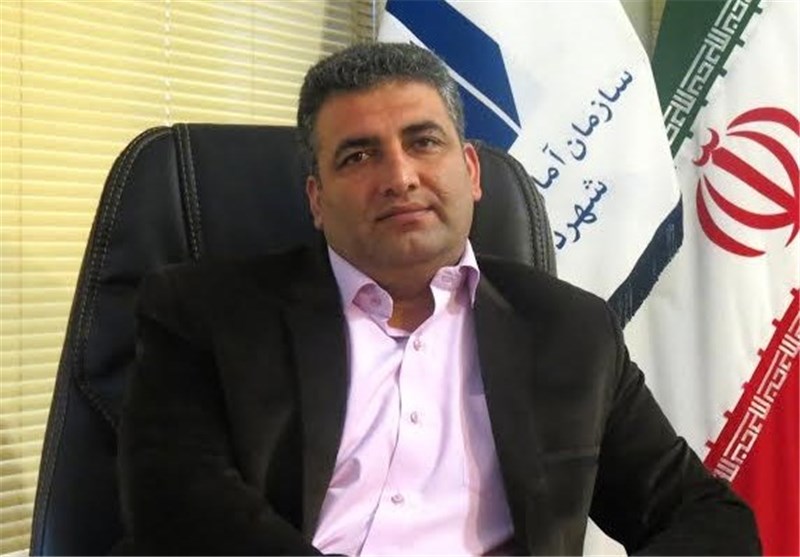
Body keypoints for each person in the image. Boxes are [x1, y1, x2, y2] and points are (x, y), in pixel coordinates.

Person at [118, 42, 760, 556]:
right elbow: (175, 508)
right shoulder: (204, 314)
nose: (399, 177)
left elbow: (705, 516)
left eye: (423, 142)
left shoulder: (570, 330)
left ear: (472, 172)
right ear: (317, 200)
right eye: (358, 156)